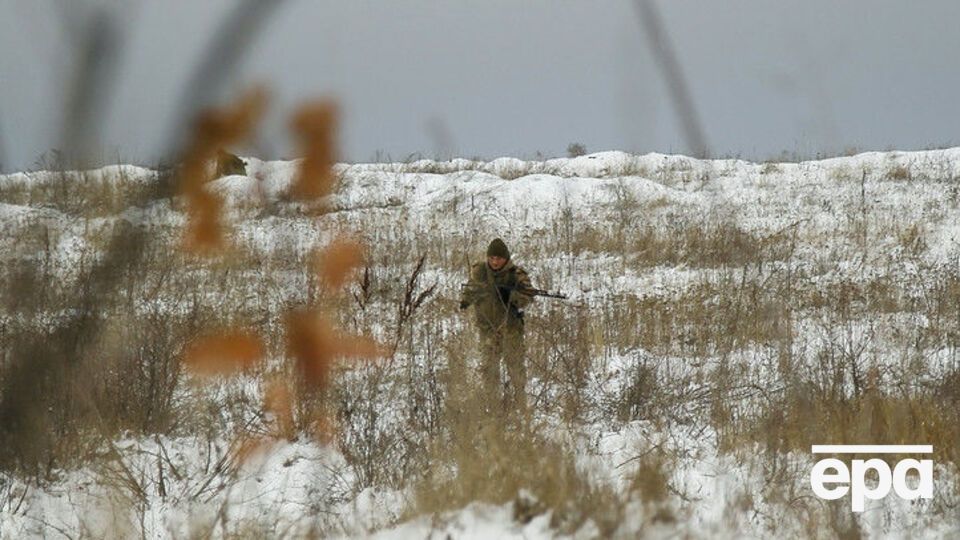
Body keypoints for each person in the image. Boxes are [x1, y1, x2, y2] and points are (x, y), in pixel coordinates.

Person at [459, 238, 534, 412]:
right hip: (487, 330)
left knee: (516, 370)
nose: (494, 262)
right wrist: (467, 299)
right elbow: (470, 290)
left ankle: (521, 406)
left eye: (498, 258)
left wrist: (511, 296)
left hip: (510, 330)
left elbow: (527, 297)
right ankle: (493, 408)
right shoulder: (480, 272)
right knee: (488, 371)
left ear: (506, 259)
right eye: (491, 258)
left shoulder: (516, 274)